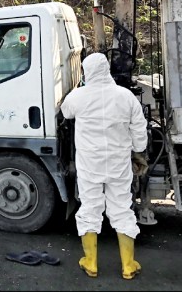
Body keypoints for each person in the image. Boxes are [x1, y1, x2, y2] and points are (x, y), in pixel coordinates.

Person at [60, 53, 148, 280]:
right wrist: (138, 151)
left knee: (90, 208)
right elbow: (139, 128)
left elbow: (65, 112)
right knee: (121, 209)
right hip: (119, 163)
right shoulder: (125, 96)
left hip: (90, 164)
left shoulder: (78, 96)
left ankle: (90, 262)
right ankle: (128, 265)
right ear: (107, 69)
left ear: (87, 71)